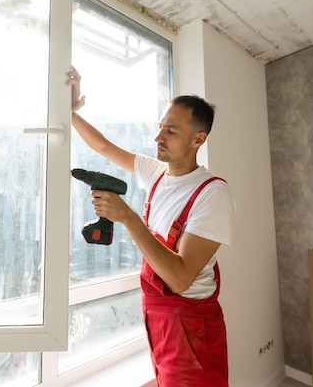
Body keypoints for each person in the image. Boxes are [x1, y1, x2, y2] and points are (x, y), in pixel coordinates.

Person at [65, 66, 235, 387]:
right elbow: (102, 146)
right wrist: (70, 113)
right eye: (160, 127)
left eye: (171, 130)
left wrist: (128, 217)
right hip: (157, 317)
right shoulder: (154, 172)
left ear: (199, 138)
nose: (158, 137)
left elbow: (181, 278)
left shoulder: (213, 194)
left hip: (191, 325)